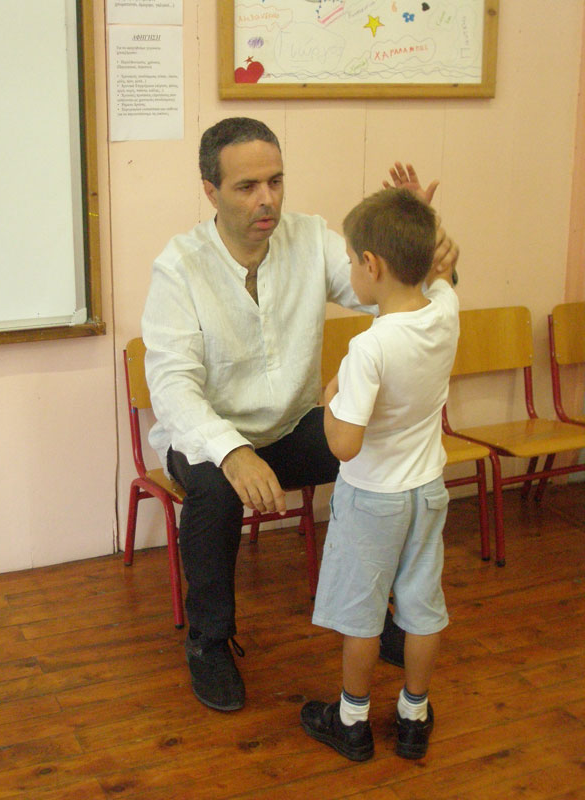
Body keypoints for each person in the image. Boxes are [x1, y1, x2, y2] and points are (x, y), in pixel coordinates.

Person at [141, 117, 459, 713]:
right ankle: (209, 641)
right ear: (210, 192)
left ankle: (376, 615)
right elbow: (172, 384)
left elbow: (385, 292)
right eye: (247, 186)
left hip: (289, 427)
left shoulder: (311, 238)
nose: (267, 199)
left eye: (276, 181)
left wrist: (415, 247)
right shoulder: (180, 267)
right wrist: (232, 451)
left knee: (375, 459)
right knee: (214, 493)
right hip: (210, 437)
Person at [300, 188, 459, 762]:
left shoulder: (368, 348)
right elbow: (442, 271)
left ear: (372, 265)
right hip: (427, 491)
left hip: (372, 500)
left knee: (363, 617)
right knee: (421, 607)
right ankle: (414, 715)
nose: (348, 271)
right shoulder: (446, 308)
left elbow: (344, 444)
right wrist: (418, 216)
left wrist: (330, 397)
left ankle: (352, 721)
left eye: (350, 260)